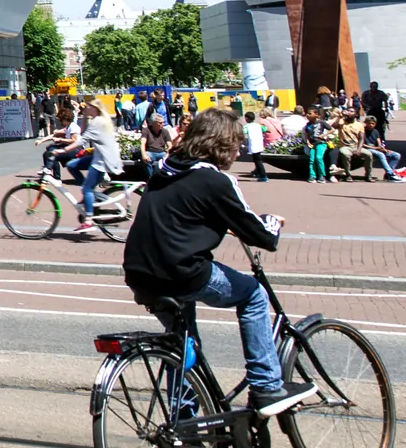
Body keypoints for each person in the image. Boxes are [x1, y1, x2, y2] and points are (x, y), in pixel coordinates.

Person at [121, 108, 316, 417]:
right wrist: (272, 221)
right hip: (182, 271)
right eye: (237, 144)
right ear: (222, 144)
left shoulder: (164, 170)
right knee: (254, 295)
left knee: (182, 344)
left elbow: (180, 212)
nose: (239, 151)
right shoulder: (215, 180)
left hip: (139, 272)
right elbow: (262, 235)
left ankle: (183, 424)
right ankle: (266, 386)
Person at [69, 100, 125, 240]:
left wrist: (62, 150)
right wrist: (83, 116)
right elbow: (83, 133)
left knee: (87, 189)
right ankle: (87, 195)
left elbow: (82, 140)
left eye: (88, 106)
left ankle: (88, 220)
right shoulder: (96, 119)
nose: (86, 107)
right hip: (97, 157)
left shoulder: (98, 121)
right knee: (71, 165)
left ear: (94, 108)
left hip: (102, 161)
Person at [142, 111, 173, 178]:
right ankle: (151, 179)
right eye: (160, 123)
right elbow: (142, 143)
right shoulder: (146, 130)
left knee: (169, 160)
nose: (163, 124)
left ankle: (165, 178)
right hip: (150, 151)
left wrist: (167, 154)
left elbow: (170, 145)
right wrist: (144, 154)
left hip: (161, 152)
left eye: (163, 122)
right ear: (154, 123)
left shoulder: (165, 131)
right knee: (146, 159)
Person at [242, 110, 267, 181]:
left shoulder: (247, 126)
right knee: (257, 160)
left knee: (258, 161)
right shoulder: (258, 125)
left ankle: (263, 176)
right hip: (259, 144)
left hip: (254, 145)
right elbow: (265, 129)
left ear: (247, 118)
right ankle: (258, 172)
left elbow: (243, 132)